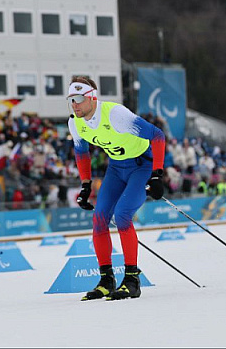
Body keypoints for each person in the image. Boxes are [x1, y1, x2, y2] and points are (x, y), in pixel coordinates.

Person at [67, 76, 165, 301]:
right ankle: (106, 280)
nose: (74, 105)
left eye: (79, 99)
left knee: (121, 215)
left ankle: (132, 280)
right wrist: (85, 185)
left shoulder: (115, 114)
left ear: (92, 98)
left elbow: (157, 135)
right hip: (116, 168)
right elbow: (81, 153)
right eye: (71, 100)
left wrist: (157, 174)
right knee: (99, 219)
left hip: (141, 165)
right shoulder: (75, 122)